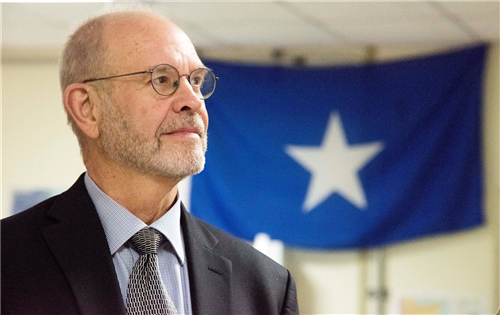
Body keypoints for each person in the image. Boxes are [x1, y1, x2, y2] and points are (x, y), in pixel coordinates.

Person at [0, 6, 299, 315]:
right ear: (87, 107)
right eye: (162, 79)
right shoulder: (9, 261)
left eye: (196, 81)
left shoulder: (266, 287)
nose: (193, 101)